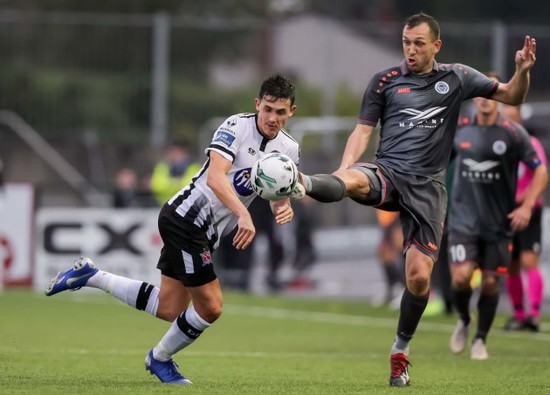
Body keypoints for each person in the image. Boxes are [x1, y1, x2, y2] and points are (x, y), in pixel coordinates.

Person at [291, 13, 537, 386]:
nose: (411, 49)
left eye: (419, 43)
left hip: (427, 189)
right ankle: (300, 182)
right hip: (388, 172)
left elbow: (512, 95)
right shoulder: (385, 82)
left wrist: (522, 71)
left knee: (419, 278)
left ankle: (400, 350)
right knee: (355, 180)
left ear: (436, 45)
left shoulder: (457, 77)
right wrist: (344, 168)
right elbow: (362, 133)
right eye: (406, 42)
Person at [45, 73, 300, 384]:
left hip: (205, 231)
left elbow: (276, 194)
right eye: (268, 109)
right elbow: (218, 177)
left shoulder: (289, 149)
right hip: (187, 217)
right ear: (257, 104)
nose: (272, 118)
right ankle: (160, 358)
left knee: (169, 307)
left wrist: (282, 207)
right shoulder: (236, 126)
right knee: (211, 307)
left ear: (292, 112)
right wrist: (243, 216)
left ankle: (91, 276)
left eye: (281, 112)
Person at [447, 72, 547, 361]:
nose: (485, 99)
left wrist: (527, 206)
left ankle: (481, 339)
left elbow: (540, 170)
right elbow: (438, 169)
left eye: (491, 94)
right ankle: (465, 319)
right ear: (474, 97)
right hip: (463, 221)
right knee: (462, 277)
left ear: (499, 98)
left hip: (499, 225)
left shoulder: (513, 133)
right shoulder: (460, 131)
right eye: (480, 93)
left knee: (491, 283)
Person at [500, 104, 548, 332]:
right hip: (506, 212)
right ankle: (519, 315)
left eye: (512, 109)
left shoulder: (532, 143)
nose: (508, 113)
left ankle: (534, 315)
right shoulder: (499, 145)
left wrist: (524, 202)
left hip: (529, 211)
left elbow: (540, 175)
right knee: (511, 265)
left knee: (530, 261)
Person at [150, 140, 201, 206]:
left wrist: (169, 184)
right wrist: (178, 182)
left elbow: (192, 186)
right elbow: (157, 186)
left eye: (178, 151)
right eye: (173, 151)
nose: (175, 154)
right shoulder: (163, 166)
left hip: (187, 209)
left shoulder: (194, 166)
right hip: (164, 207)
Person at [372, 209, 405, 307]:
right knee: (383, 253)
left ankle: (404, 290)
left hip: (396, 219)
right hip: (386, 221)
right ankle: (391, 289)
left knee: (400, 250)